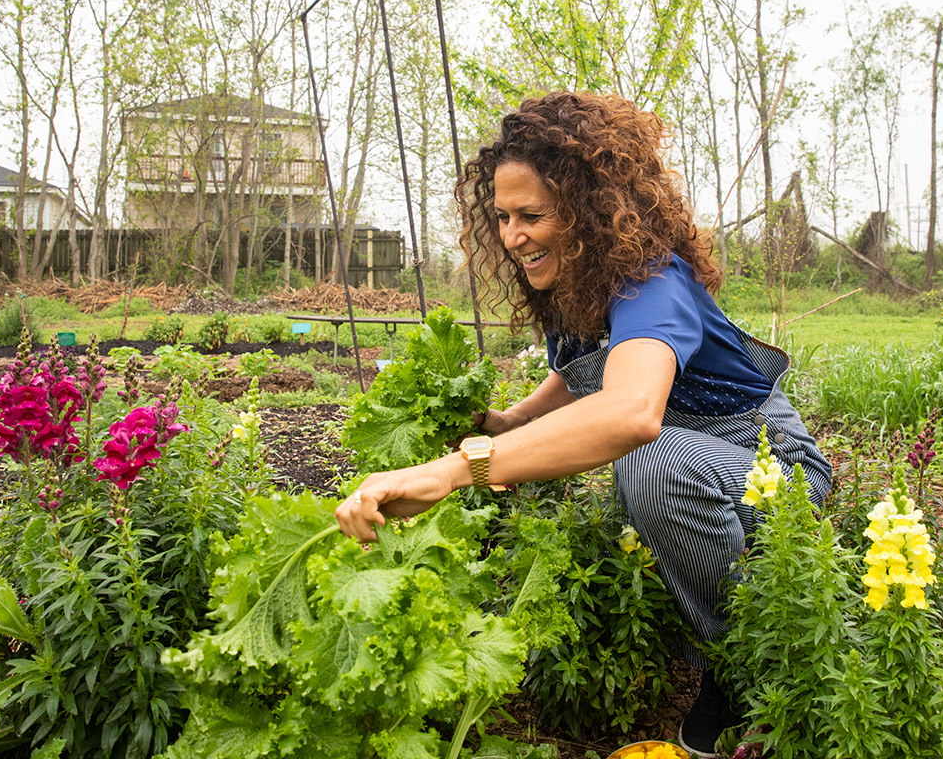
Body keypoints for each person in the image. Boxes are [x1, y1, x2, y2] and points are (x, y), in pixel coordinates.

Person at [335, 90, 832, 758]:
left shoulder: (654, 285)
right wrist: (476, 422)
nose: (513, 237)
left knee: (650, 462)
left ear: (589, 210)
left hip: (771, 467)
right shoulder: (580, 293)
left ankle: (741, 666)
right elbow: (549, 403)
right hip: (700, 466)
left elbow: (631, 412)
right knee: (612, 461)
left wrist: (455, 472)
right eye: (504, 217)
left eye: (532, 215)